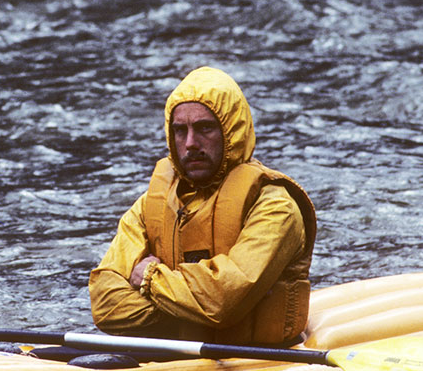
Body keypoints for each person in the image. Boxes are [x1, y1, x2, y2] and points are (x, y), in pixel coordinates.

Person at [88, 66, 316, 346]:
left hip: (260, 358)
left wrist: (150, 279)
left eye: (205, 128)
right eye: (180, 131)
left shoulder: (275, 207)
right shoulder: (151, 205)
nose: (190, 143)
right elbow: (105, 303)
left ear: (231, 132)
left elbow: (222, 300)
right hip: (182, 358)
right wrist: (191, 302)